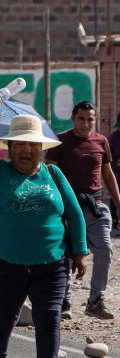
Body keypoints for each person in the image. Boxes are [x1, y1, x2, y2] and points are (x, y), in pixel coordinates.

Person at [0, 103, 87, 358]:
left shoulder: (53, 174)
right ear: (9, 148)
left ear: (41, 148)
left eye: (32, 144)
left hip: (52, 263)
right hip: (6, 263)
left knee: (49, 319)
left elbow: (74, 213)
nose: (26, 150)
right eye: (19, 143)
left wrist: (81, 251)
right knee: (2, 317)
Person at [43, 101, 119, 320]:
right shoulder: (61, 141)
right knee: (66, 254)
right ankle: (63, 300)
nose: (85, 123)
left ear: (95, 120)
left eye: (90, 119)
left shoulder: (101, 141)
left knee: (104, 250)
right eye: (81, 118)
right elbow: (49, 175)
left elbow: (107, 174)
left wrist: (119, 204)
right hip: (66, 207)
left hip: (94, 208)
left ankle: (95, 300)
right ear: (73, 118)